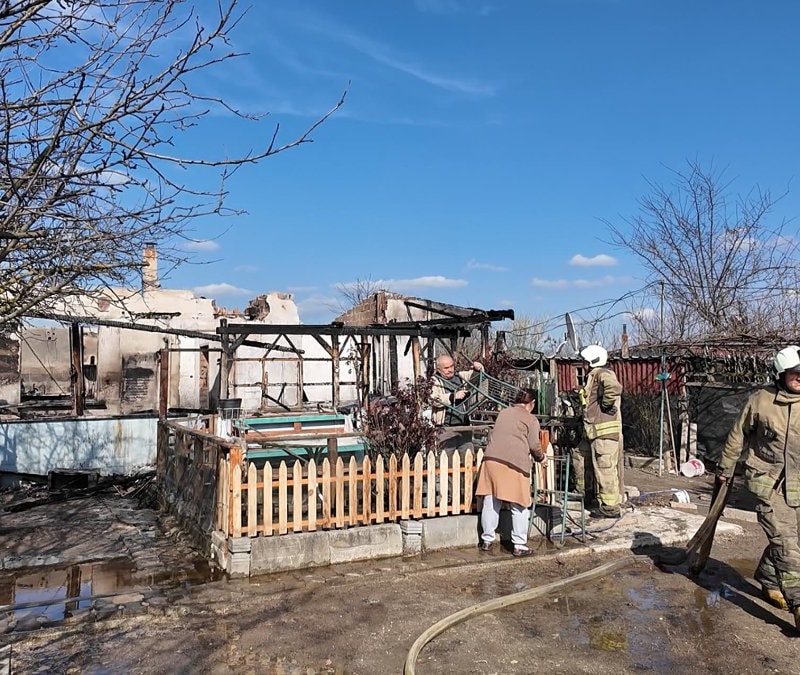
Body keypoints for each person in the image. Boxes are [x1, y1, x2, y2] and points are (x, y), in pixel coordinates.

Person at [717, 345, 800, 628]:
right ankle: (798, 602)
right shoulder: (761, 401)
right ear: (780, 374)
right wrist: (726, 468)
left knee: (793, 540)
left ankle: (768, 576)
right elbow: (737, 435)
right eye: (794, 373)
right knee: (786, 542)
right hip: (769, 483)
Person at [475, 388, 545, 557]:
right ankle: (519, 545)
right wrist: (541, 458)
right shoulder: (531, 419)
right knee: (519, 504)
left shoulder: (503, 413)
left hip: (491, 460)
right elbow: (534, 445)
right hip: (514, 463)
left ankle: (487, 540)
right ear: (532, 403)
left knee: (491, 501)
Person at [575, 344, 623, 518]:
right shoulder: (593, 376)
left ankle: (611, 508)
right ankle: (586, 495)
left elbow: (614, 388)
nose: (582, 364)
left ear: (592, 361)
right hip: (593, 433)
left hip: (604, 435)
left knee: (605, 469)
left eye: (585, 361)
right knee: (580, 456)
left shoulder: (603, 373)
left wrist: (606, 404)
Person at [430, 353, 484, 455]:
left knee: (468, 457)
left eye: (452, 366)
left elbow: (477, 377)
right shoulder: (434, 381)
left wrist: (479, 368)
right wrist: (452, 396)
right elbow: (433, 400)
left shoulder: (460, 377)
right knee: (446, 459)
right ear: (438, 369)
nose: (450, 370)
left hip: (464, 427)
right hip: (445, 429)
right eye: (446, 368)